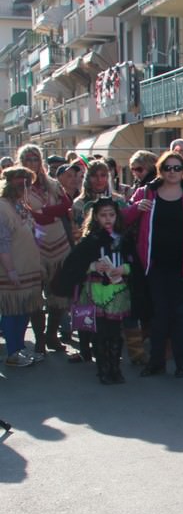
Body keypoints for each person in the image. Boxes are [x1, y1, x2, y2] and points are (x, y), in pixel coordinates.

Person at [125, 151, 183, 378]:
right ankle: (156, 363)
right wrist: (137, 208)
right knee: (158, 317)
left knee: (180, 317)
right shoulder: (146, 193)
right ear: (160, 170)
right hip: (154, 267)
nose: (172, 172)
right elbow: (122, 219)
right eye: (167, 168)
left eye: (177, 168)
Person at [52, 198, 136, 384]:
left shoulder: (124, 238)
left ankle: (115, 368)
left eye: (111, 215)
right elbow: (74, 264)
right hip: (95, 292)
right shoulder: (90, 240)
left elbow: (134, 263)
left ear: (117, 216)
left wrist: (124, 269)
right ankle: (103, 369)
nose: (108, 219)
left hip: (117, 292)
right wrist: (92, 265)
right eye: (103, 215)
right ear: (95, 217)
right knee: (100, 332)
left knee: (115, 331)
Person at [18, 144, 73, 356]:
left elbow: (65, 205)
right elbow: (32, 215)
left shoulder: (51, 184)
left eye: (35, 159)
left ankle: (52, 335)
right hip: (32, 245)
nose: (32, 163)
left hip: (58, 242)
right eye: (28, 160)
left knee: (58, 292)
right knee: (34, 294)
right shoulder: (16, 187)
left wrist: (43, 211)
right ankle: (40, 339)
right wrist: (45, 213)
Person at [0, 167, 44, 366]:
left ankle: (20, 349)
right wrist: (10, 271)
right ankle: (12, 353)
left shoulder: (20, 205)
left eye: (27, 181)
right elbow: (3, 243)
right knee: (12, 311)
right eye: (20, 180)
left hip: (29, 269)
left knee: (24, 309)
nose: (24, 184)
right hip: (13, 269)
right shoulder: (2, 207)